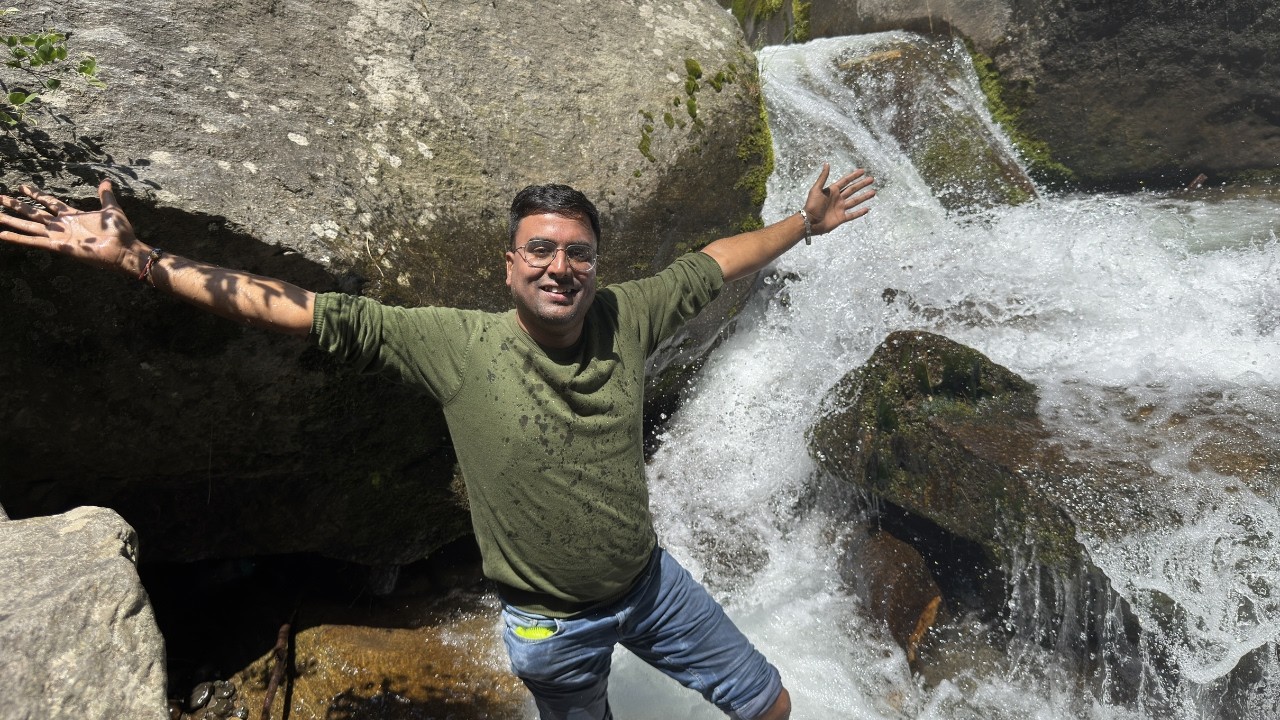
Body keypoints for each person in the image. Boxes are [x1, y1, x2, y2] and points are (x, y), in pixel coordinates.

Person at [0, 164, 874, 720]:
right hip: (549, 629)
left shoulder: (629, 314)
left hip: (653, 589)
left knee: (771, 705)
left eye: (577, 253)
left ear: (598, 265)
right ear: (508, 265)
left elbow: (720, 258)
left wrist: (805, 224)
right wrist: (141, 261)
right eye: (539, 251)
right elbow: (301, 311)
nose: (559, 268)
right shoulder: (454, 344)